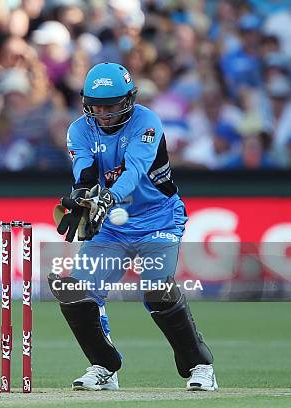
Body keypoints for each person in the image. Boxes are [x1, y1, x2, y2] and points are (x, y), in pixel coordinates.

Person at [52, 63, 217, 391]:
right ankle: (104, 366)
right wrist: (82, 198)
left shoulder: (147, 122)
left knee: (157, 291)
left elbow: (135, 170)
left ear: (128, 100)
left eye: (111, 106)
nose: (104, 115)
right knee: (76, 291)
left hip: (159, 217)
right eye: (97, 107)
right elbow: (84, 173)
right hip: (113, 228)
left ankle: (200, 367)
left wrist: (107, 199)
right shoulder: (79, 130)